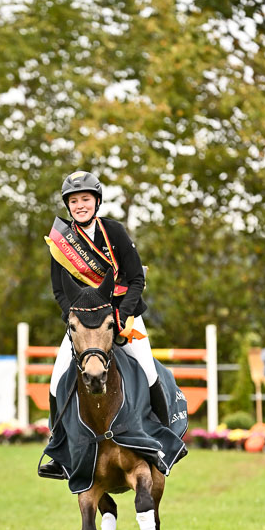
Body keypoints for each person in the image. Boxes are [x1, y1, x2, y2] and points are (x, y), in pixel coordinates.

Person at [39, 170, 170, 478]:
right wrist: (75, 320)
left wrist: (123, 314)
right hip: (84, 325)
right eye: (74, 201)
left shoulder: (114, 231)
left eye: (85, 199)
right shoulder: (61, 243)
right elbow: (59, 291)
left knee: (149, 372)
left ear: (96, 201)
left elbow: (136, 278)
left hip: (124, 317)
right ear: (68, 205)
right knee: (57, 381)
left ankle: (163, 441)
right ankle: (59, 451)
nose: (80, 205)